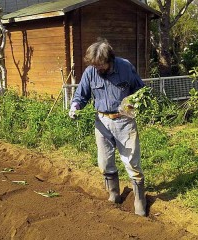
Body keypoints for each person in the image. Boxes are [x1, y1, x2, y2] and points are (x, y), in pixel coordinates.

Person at [69, 38, 147, 216]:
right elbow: (81, 95)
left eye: (100, 65)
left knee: (132, 162)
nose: (97, 69)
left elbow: (140, 90)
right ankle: (114, 193)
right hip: (102, 121)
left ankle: (139, 199)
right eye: (94, 66)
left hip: (124, 121)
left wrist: (132, 103)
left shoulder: (125, 67)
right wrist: (75, 107)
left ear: (109, 59)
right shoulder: (91, 72)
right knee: (104, 162)